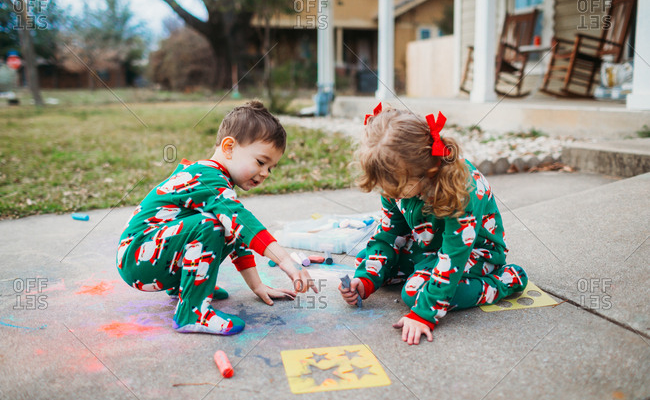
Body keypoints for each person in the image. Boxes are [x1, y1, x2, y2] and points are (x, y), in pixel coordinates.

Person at [116, 100, 317, 335]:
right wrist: (285, 260)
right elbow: (241, 221)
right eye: (261, 162)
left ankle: (185, 288)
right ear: (229, 147)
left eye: (271, 168)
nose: (265, 173)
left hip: (152, 255)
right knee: (213, 225)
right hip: (138, 256)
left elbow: (237, 237)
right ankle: (192, 312)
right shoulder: (205, 176)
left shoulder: (216, 183)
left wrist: (257, 285)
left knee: (225, 225)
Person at [339, 103, 528, 345]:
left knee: (414, 292)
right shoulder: (397, 180)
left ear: (427, 170)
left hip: (475, 253)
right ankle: (407, 273)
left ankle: (504, 281)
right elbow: (388, 234)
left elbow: (453, 257)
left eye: (396, 186)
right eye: (384, 185)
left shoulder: (460, 192)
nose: (388, 192)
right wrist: (366, 280)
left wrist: (424, 314)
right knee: (370, 260)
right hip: (428, 246)